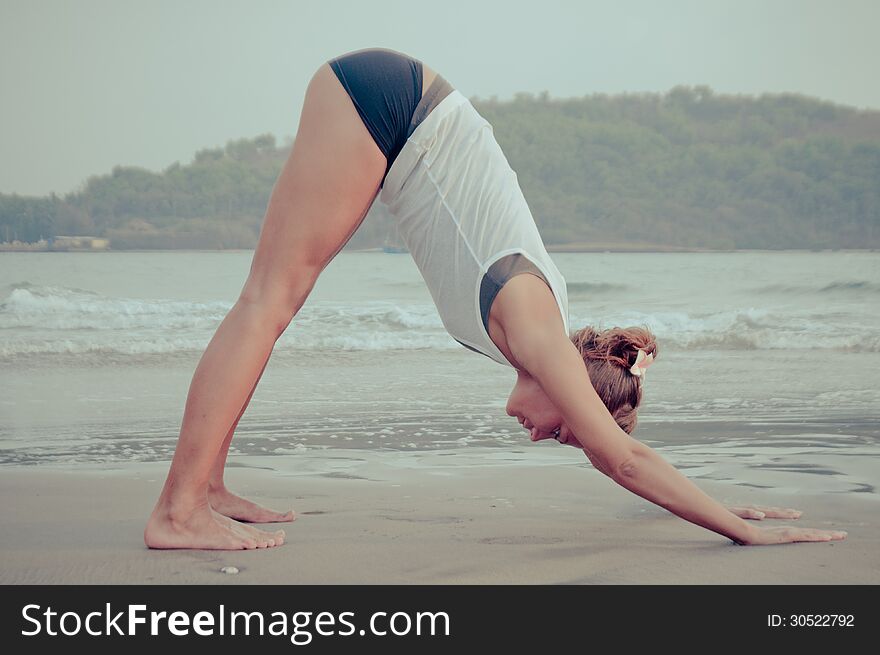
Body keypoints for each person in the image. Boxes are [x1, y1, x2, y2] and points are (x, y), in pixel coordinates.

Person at [144, 47, 847, 550]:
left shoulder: (545, 339)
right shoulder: (537, 326)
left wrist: (710, 499)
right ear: (572, 383)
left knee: (272, 300)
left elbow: (621, 448)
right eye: (565, 430)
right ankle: (178, 508)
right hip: (390, 106)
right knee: (270, 300)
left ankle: (205, 486)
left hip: (394, 113)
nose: (544, 437)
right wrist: (743, 530)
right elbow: (623, 460)